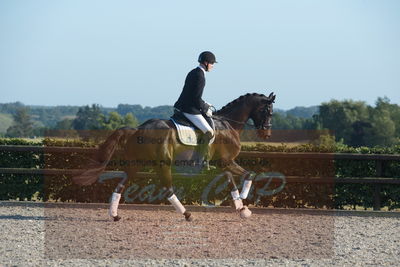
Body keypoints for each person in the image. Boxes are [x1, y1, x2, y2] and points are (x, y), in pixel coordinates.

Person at [174, 51, 217, 141]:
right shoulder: (200, 76)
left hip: (182, 106)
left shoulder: (193, 72)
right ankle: (199, 154)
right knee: (209, 132)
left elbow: (191, 94)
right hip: (189, 109)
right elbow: (196, 98)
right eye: (212, 63)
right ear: (206, 63)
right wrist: (204, 107)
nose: (213, 66)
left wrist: (204, 103)